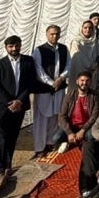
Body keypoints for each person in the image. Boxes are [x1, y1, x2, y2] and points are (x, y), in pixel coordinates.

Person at [0, 35, 36, 184]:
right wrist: (10, 102)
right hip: (2, 108)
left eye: (16, 45)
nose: (14, 49)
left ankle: (8, 167)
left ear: (20, 45)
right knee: (0, 139)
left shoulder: (28, 61)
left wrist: (19, 101)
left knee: (12, 137)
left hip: (19, 107)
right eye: (11, 46)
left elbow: (30, 83)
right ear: (6, 48)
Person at [32, 25, 70, 158]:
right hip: (44, 89)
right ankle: (39, 147)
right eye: (52, 34)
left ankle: (50, 141)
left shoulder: (64, 48)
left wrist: (61, 78)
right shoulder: (39, 50)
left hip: (58, 88)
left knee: (55, 116)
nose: (55, 36)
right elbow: (38, 70)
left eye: (57, 34)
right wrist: (50, 82)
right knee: (42, 117)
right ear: (47, 34)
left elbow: (68, 65)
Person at [57, 70, 99, 154]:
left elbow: (95, 115)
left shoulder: (94, 95)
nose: (84, 83)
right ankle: (68, 141)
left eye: (87, 81)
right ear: (77, 81)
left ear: (90, 82)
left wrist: (83, 130)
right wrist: (69, 132)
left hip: (86, 127)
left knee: (90, 137)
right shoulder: (70, 95)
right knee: (56, 138)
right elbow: (62, 116)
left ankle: (83, 142)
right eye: (82, 80)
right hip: (72, 126)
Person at [70, 20, 99, 91]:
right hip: (79, 71)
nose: (87, 30)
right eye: (85, 28)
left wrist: (96, 64)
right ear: (81, 28)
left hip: (92, 72)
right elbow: (78, 57)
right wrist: (90, 66)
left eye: (90, 28)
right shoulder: (76, 42)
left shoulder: (95, 41)